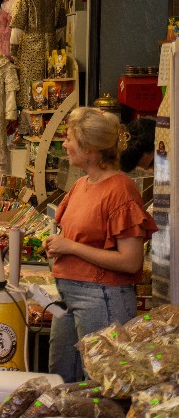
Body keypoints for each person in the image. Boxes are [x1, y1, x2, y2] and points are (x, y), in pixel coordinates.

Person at [43, 108, 157, 383]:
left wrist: (70, 247)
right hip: (67, 297)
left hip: (102, 298)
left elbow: (130, 261)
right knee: (62, 381)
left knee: (100, 386)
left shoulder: (120, 190)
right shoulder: (81, 184)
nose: (65, 145)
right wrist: (58, 245)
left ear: (91, 149)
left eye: (70, 139)